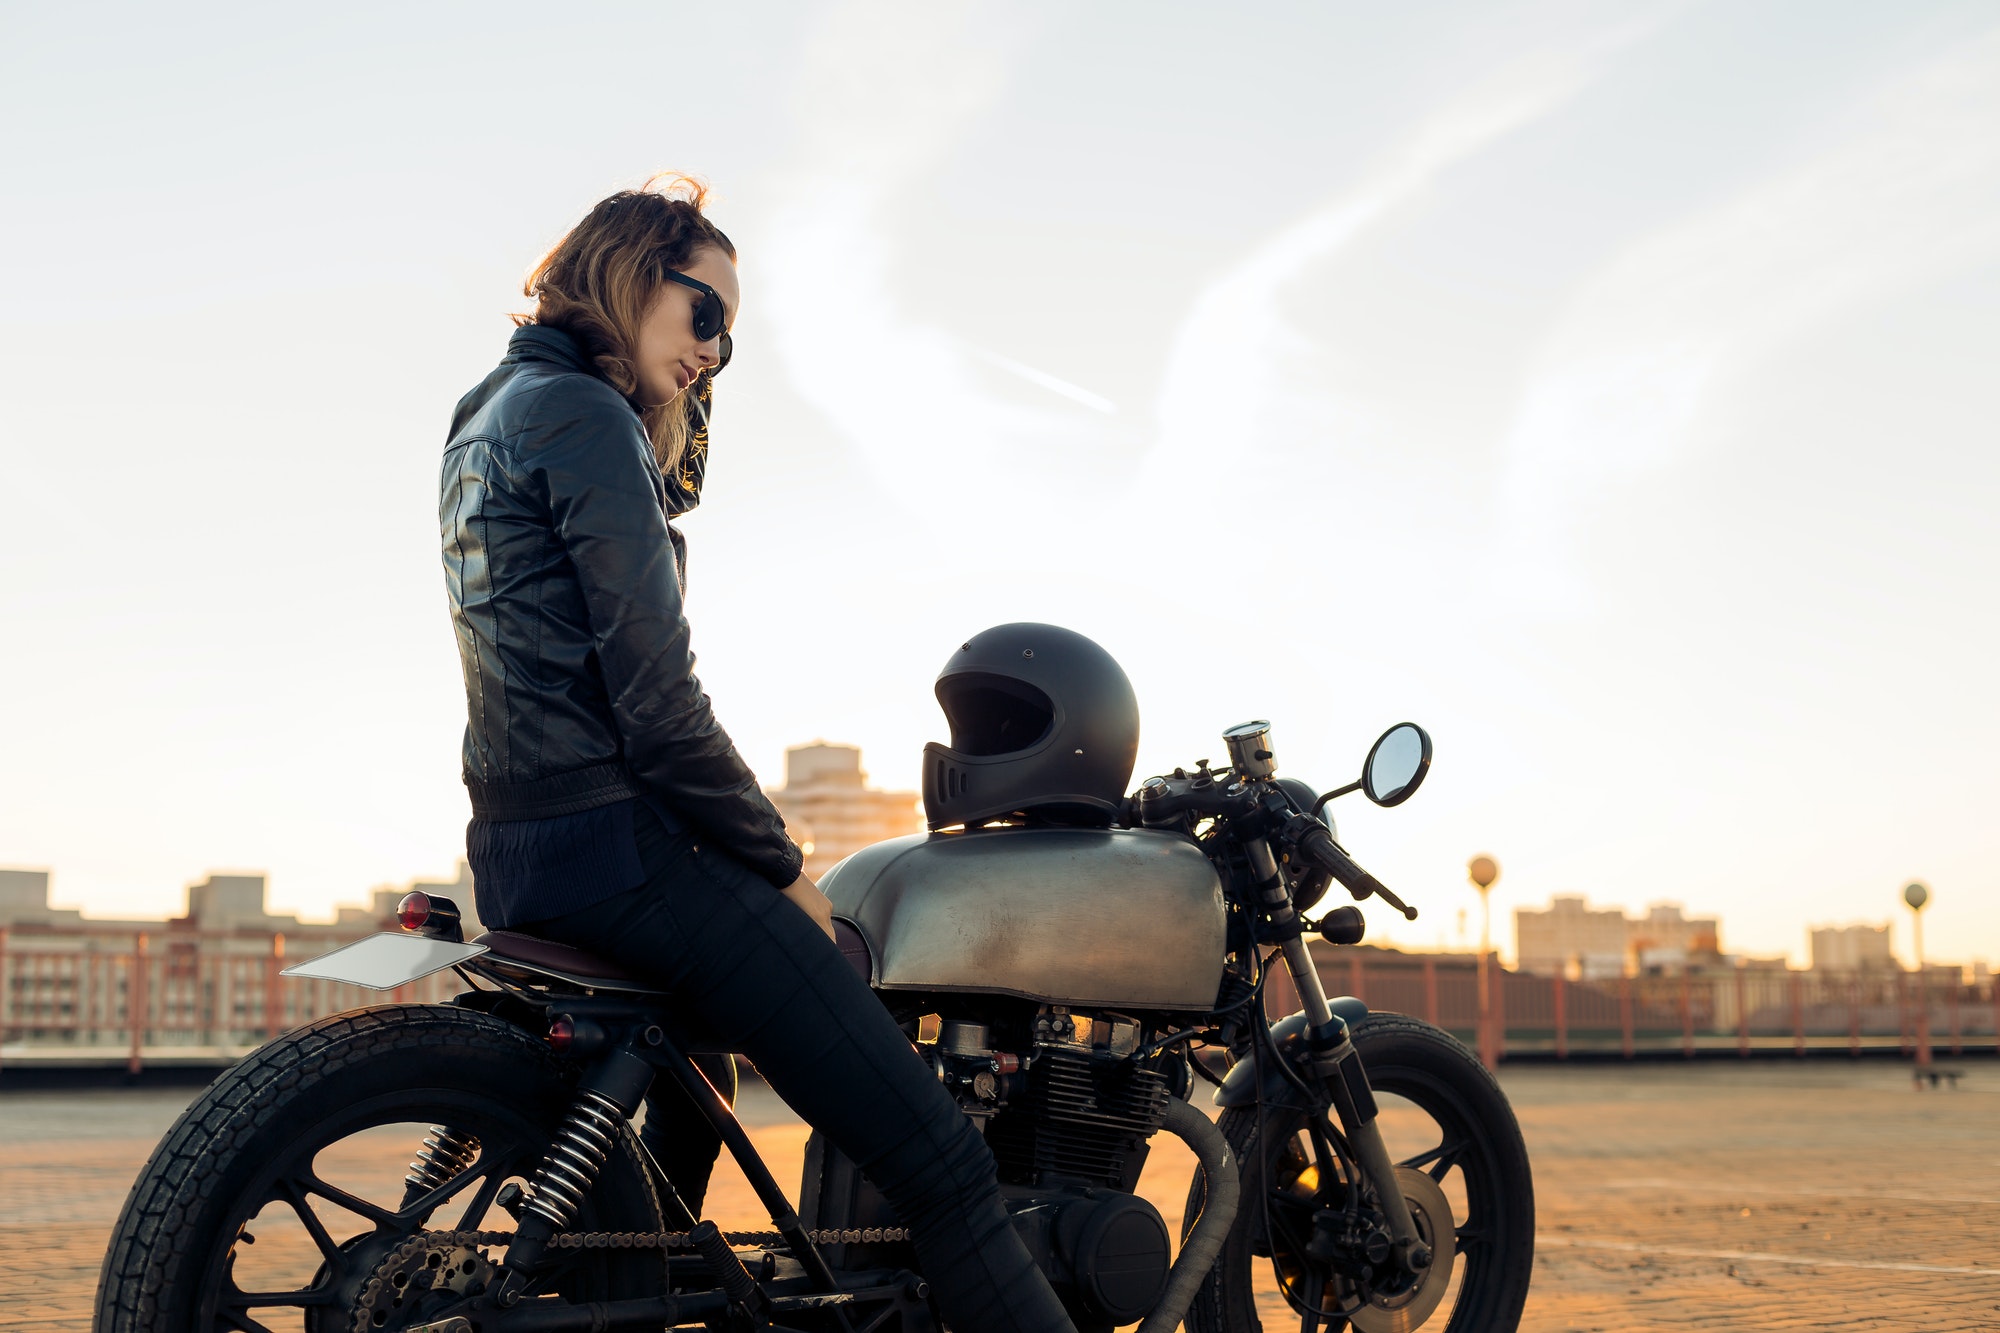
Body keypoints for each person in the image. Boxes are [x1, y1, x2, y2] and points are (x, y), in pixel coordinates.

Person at [439, 175, 1078, 1333]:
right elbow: (660, 708)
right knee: (940, 1164)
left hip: (516, 843)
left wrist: (676, 401)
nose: (718, 351)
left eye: (732, 340)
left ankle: (646, 1298)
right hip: (620, 847)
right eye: (706, 315)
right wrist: (784, 865)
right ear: (633, 275)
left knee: (706, 1067)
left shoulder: (490, 408)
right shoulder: (582, 416)